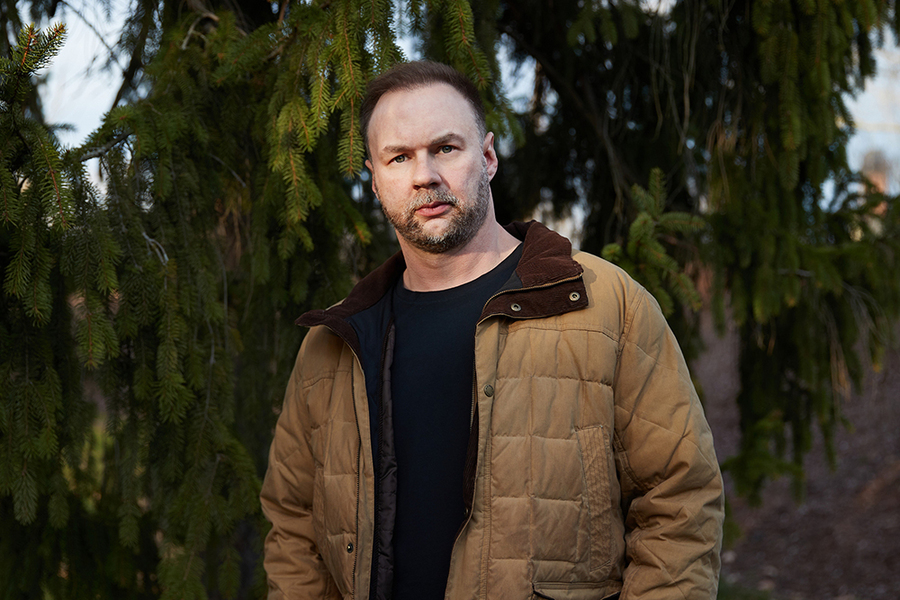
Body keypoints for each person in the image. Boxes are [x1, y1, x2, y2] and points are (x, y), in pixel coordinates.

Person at [260, 60, 724, 600]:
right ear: (375, 176)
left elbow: (679, 498)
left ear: (487, 155)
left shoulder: (603, 306)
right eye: (399, 157)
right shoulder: (335, 341)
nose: (424, 175)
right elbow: (294, 525)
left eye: (446, 149)